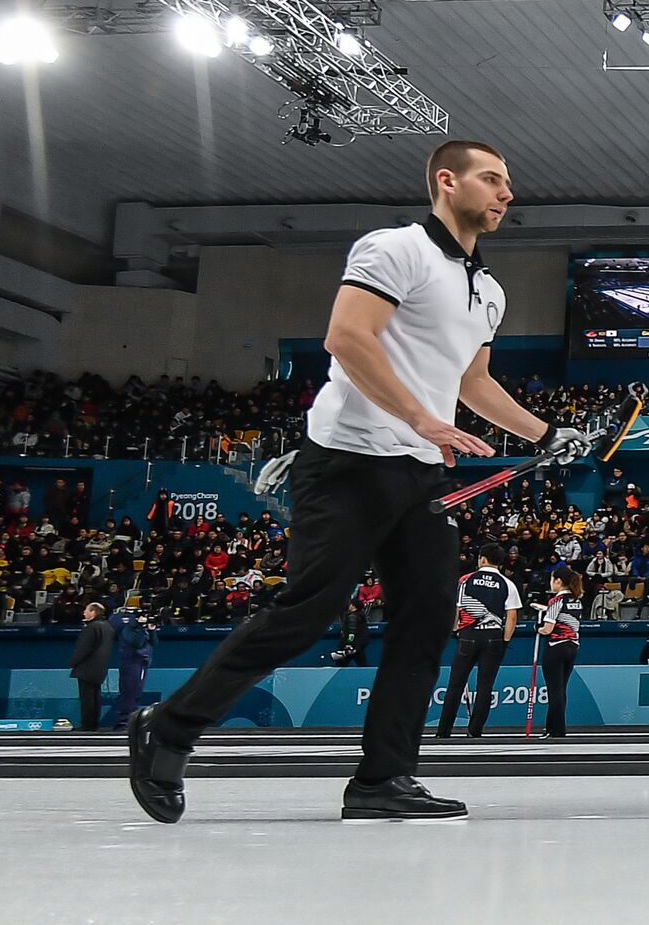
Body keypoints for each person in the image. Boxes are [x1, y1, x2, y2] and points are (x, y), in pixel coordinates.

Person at [126, 140, 593, 825]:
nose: (506, 192)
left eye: (507, 182)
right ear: (446, 181)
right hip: (347, 460)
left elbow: (474, 382)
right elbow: (348, 337)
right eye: (491, 178)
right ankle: (167, 728)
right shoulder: (393, 249)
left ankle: (382, 778)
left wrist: (545, 434)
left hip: (419, 471)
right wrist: (421, 417)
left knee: (428, 619)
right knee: (305, 615)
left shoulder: (487, 290)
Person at [435, 544, 521, 738]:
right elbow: (512, 616)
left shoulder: (466, 580)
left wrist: (455, 628)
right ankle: (475, 731)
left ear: (482, 559)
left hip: (468, 636)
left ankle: (443, 731)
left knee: (455, 684)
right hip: (493, 637)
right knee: (485, 686)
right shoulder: (507, 583)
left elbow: (456, 608)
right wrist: (505, 640)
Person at [537, 565, 583, 739]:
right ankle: (554, 727)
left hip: (557, 646)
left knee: (554, 690)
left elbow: (547, 629)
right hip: (572, 646)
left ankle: (556, 730)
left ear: (558, 581)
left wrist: (538, 627)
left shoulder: (556, 600)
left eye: (552, 579)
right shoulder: (576, 599)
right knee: (561, 689)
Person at [68, 602, 115, 731]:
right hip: (100, 667)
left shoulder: (91, 628)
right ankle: (93, 724)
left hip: (87, 667)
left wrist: (73, 662)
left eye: (86, 610)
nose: (84, 613)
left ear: (93, 612)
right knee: (95, 696)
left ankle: (87, 725)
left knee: (87, 698)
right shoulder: (108, 627)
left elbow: (84, 649)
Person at [111, 607, 158, 729]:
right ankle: (123, 723)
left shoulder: (142, 629)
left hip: (143, 661)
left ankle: (130, 721)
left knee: (136, 693)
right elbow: (136, 642)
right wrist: (141, 627)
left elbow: (154, 643)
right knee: (129, 692)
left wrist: (151, 631)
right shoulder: (127, 630)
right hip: (131, 661)